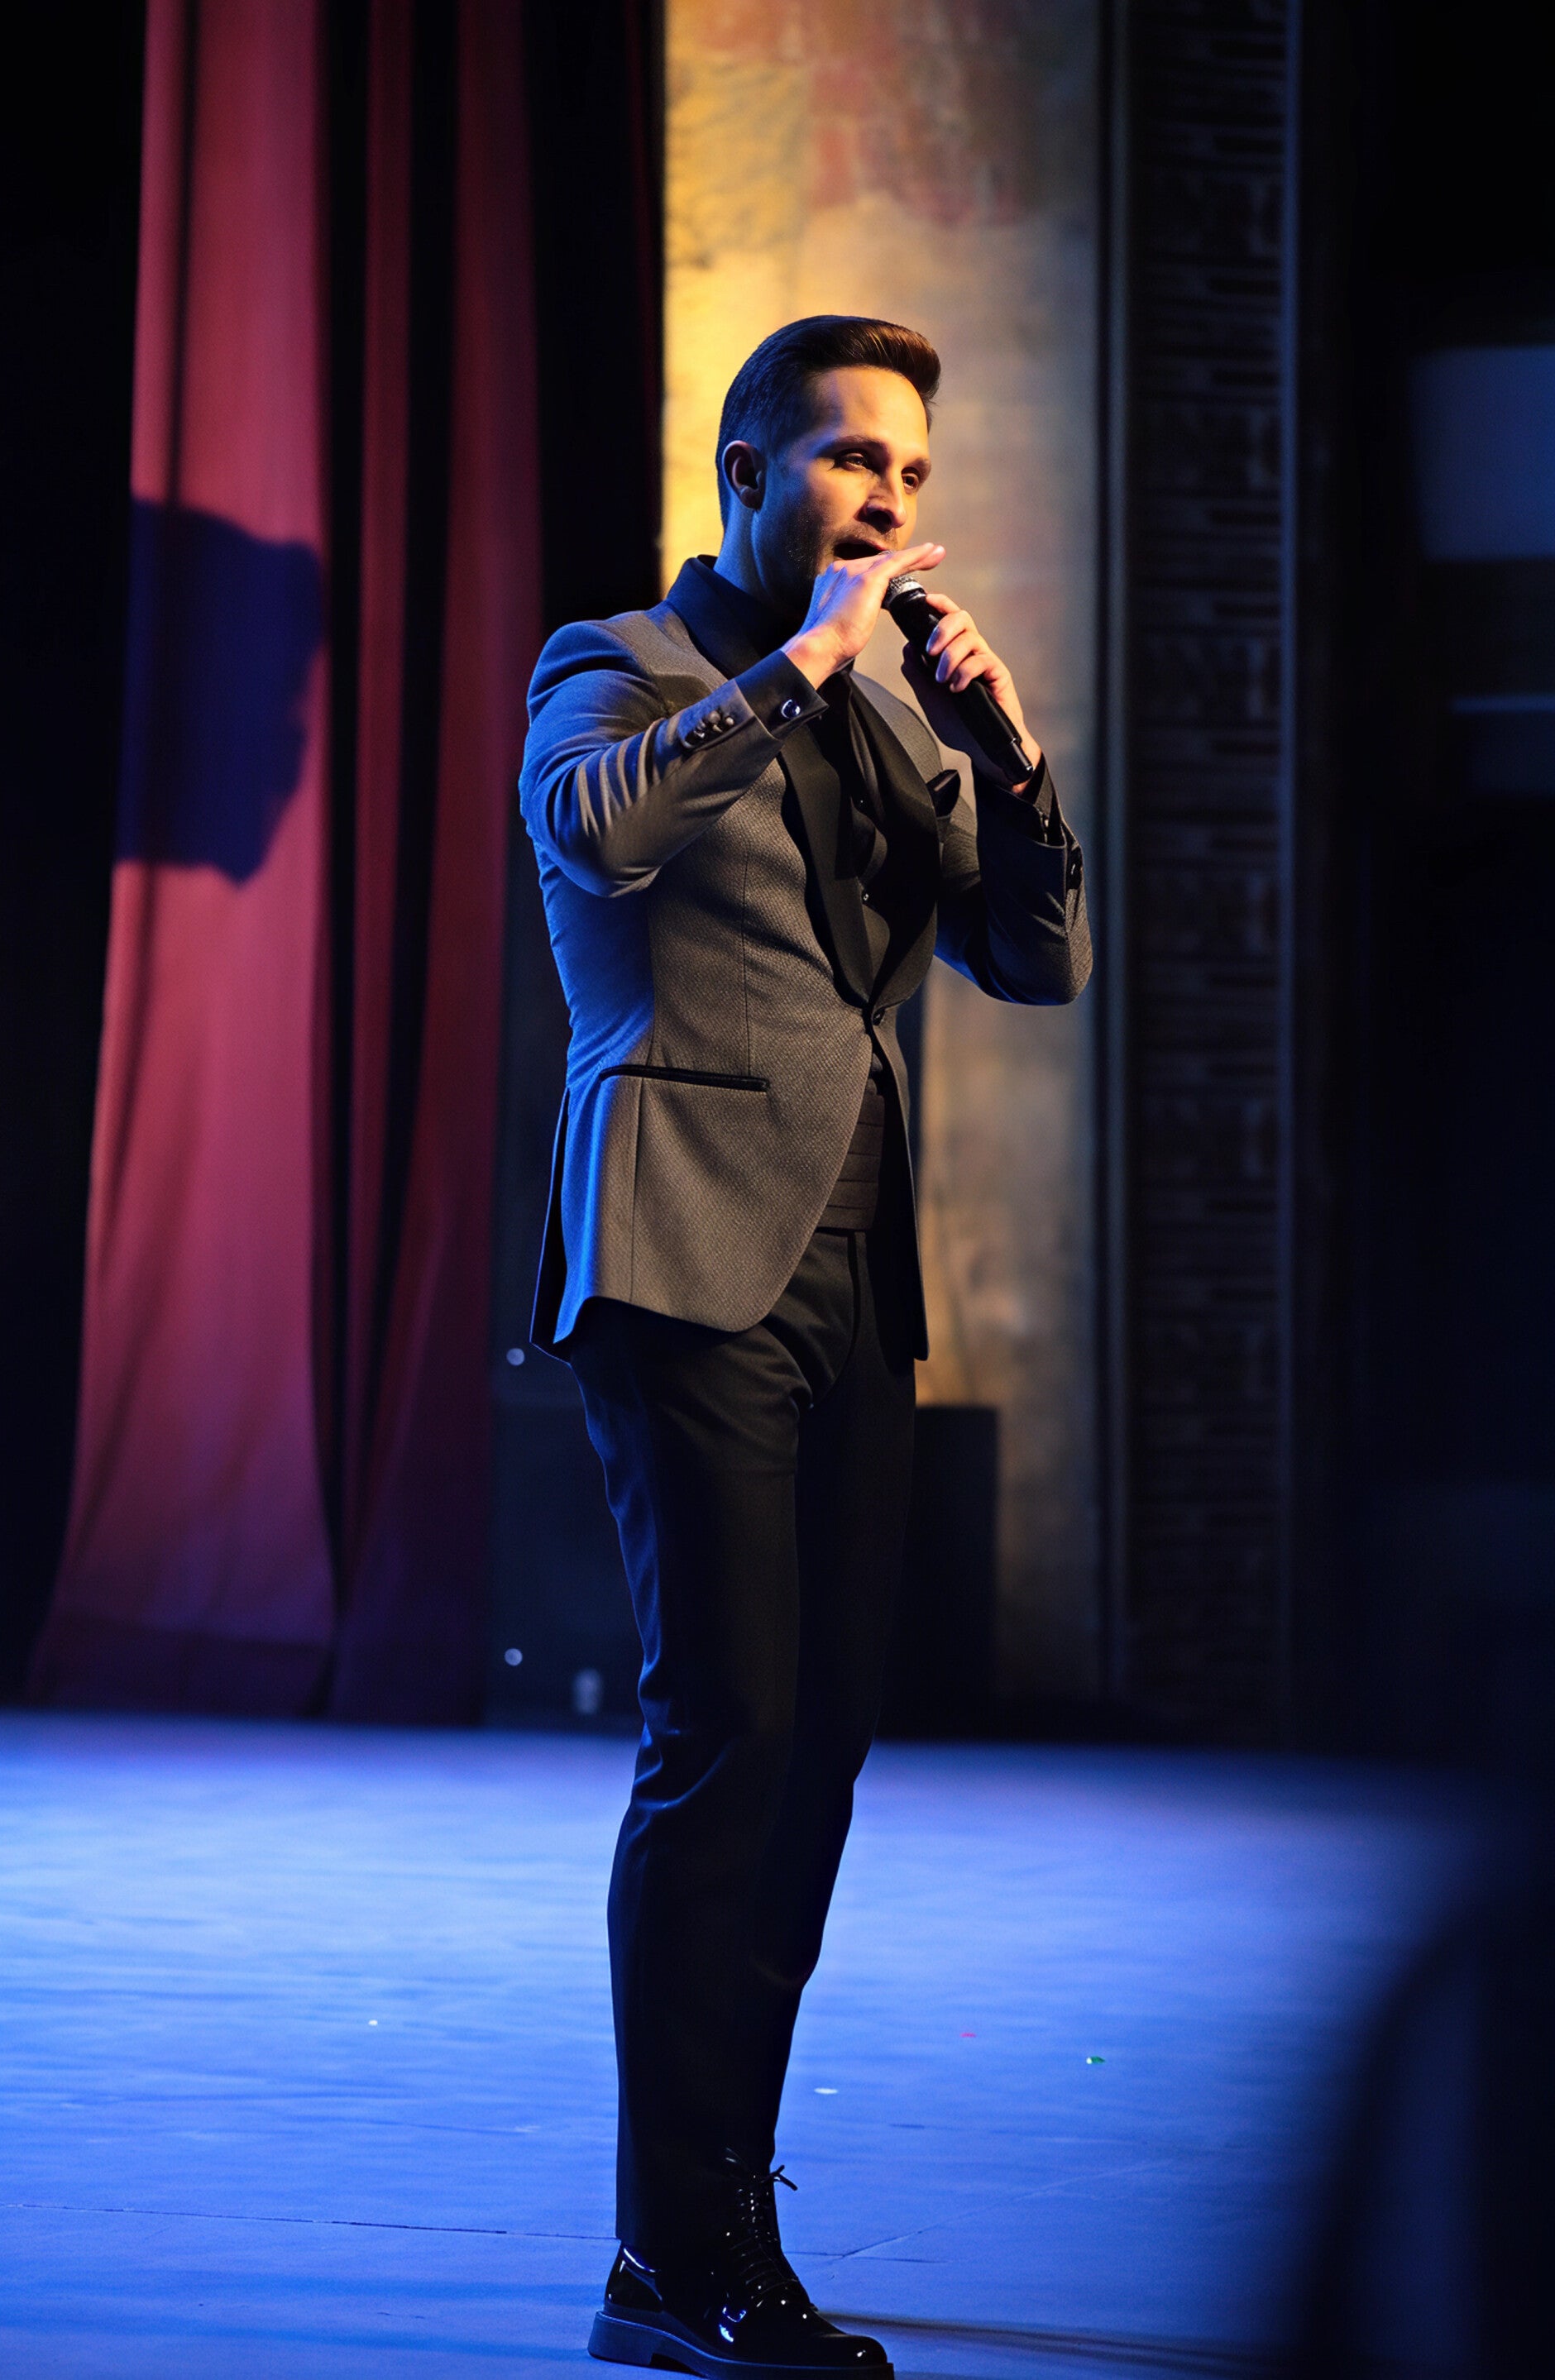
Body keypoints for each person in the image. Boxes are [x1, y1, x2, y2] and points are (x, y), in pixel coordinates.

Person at [519, 315, 1092, 2378]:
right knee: (727, 1731)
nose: (887, 501)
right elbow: (596, 831)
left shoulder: (902, 721)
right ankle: (671, 2250)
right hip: (681, 1248)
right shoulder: (622, 661)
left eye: (911, 473)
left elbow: (1037, 955)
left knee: (821, 1747)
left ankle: (717, 2211)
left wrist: (1008, 753)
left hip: (854, 1266)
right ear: (748, 472)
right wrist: (802, 669)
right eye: (853, 458)